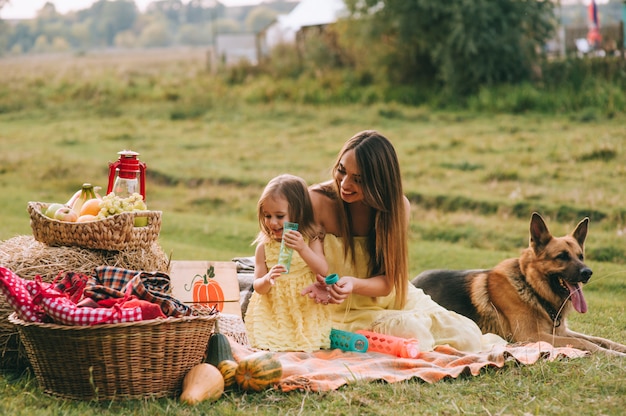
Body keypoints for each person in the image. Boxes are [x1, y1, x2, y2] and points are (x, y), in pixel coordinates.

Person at [302, 130, 506, 353]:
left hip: (387, 299)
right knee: (413, 332)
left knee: (468, 338)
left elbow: (388, 283)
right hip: (334, 308)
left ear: (379, 182)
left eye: (359, 180)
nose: (345, 184)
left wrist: (352, 284)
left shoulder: (396, 208)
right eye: (342, 171)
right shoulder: (317, 201)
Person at [245, 174, 331, 352]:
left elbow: (323, 270)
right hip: (275, 310)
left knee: (308, 343)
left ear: (299, 212)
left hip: (303, 307)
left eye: (280, 216)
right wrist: (267, 279)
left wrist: (302, 249)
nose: (272, 222)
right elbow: (258, 285)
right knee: (271, 342)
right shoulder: (264, 247)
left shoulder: (310, 239)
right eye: (267, 215)